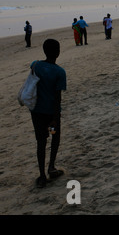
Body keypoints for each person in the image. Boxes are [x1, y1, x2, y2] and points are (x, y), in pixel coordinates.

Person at [29, 39, 67, 187]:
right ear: (58, 52)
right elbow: (57, 99)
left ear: (44, 51)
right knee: (54, 137)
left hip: (37, 113)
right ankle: (51, 166)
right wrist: (55, 118)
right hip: (51, 116)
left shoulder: (35, 65)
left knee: (41, 141)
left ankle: (42, 175)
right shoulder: (59, 72)